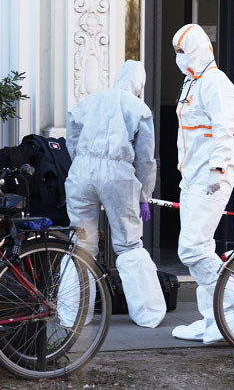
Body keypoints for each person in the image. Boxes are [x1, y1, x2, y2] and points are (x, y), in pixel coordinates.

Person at [170, 24, 234, 343]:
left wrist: (217, 168)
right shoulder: (191, 83)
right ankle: (214, 318)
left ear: (197, 48)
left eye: (183, 51)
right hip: (192, 175)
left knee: (192, 248)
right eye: (176, 53)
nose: (179, 58)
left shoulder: (214, 82)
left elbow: (225, 128)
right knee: (201, 247)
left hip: (210, 175)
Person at [63, 60, 166, 328]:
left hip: (81, 171)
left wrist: (80, 161)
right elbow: (145, 158)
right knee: (129, 244)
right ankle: (148, 313)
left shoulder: (90, 101)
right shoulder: (139, 108)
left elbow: (72, 133)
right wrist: (144, 194)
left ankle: (73, 313)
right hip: (117, 174)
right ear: (139, 83)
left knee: (81, 244)